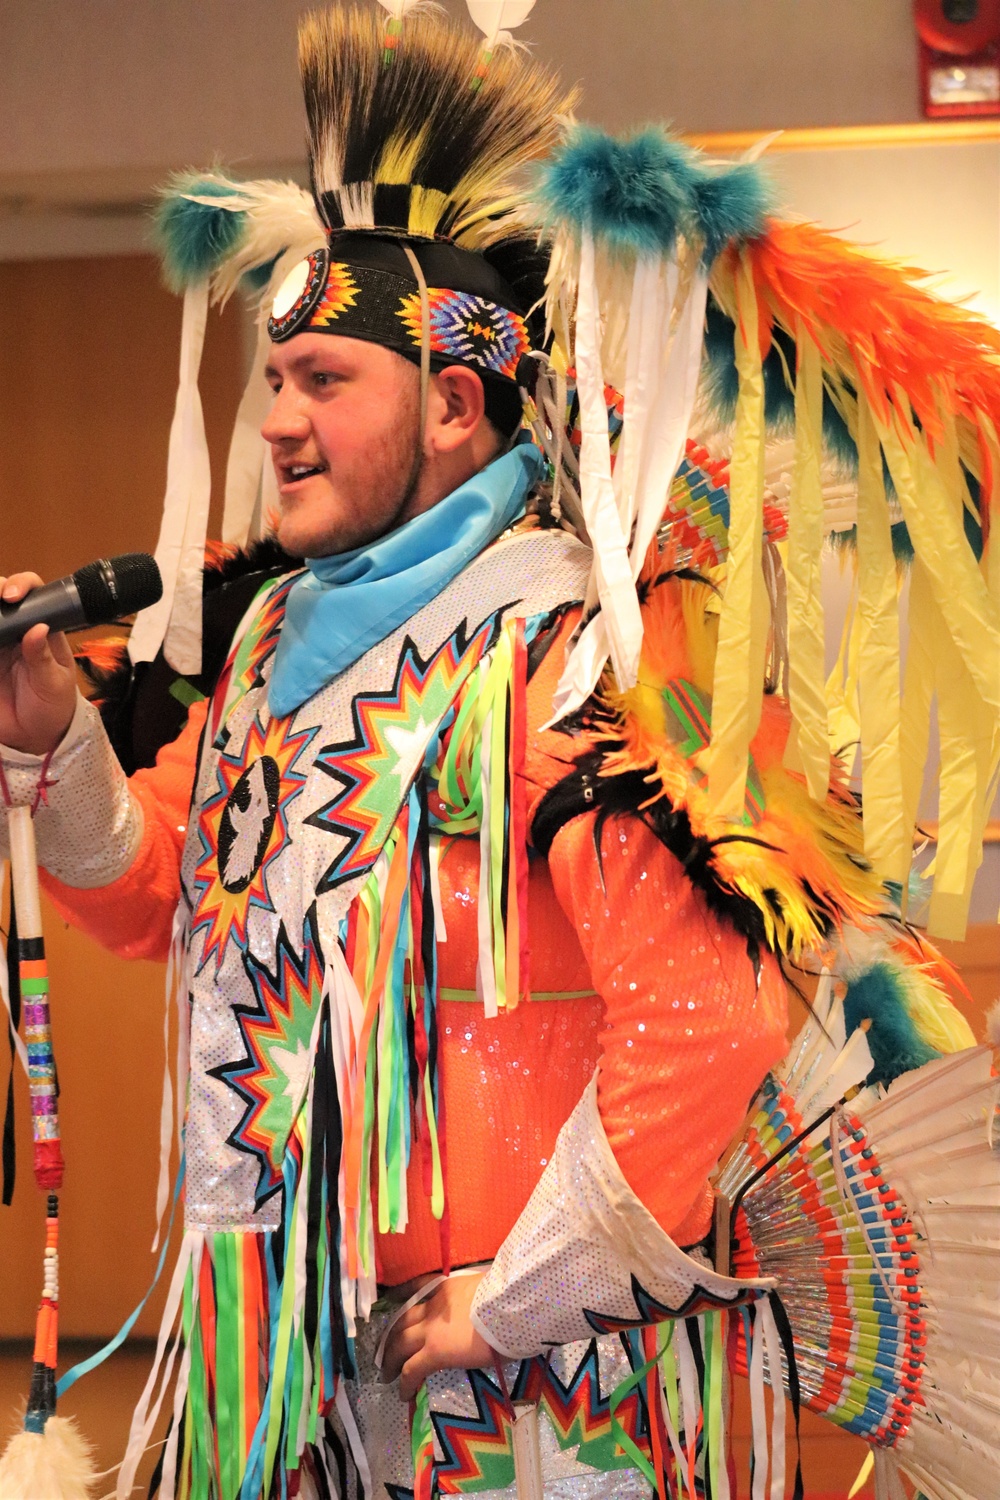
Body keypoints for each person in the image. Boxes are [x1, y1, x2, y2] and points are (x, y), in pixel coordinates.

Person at [2, 6, 998, 1498]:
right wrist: (58, 741)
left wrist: (525, 1292)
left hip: (537, 1402)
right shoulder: (276, 649)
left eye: (325, 381)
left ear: (457, 405)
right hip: (303, 1382)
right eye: (273, 378)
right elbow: (168, 900)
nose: (275, 422)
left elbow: (706, 1023)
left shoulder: (569, 658)